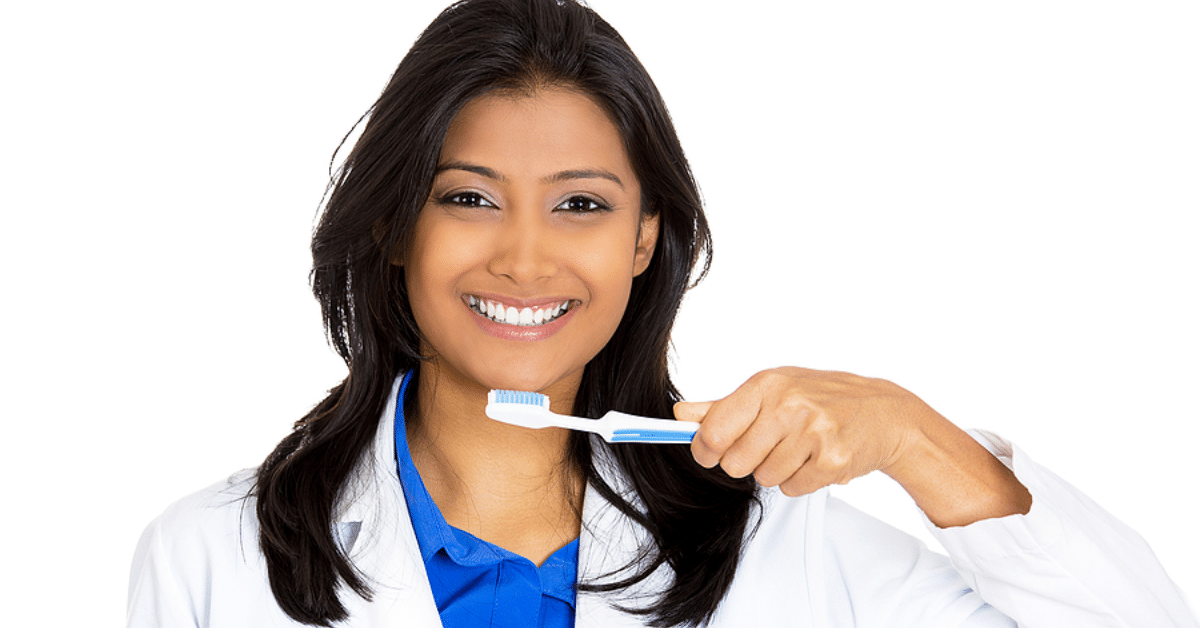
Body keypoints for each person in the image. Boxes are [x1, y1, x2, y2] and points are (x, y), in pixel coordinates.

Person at [126, 0, 1198, 626]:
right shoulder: (213, 559)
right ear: (396, 224)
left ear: (645, 240)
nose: (526, 255)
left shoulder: (783, 547)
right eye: (469, 198)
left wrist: (909, 431)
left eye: (583, 205)